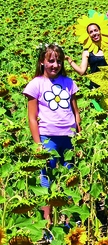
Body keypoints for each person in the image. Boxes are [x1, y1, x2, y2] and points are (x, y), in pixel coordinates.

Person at [23, 44, 81, 223]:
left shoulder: (69, 83)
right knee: (46, 179)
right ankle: (48, 222)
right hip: (48, 137)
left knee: (70, 177)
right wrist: (38, 143)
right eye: (51, 61)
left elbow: (76, 112)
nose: (55, 65)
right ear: (42, 62)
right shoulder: (36, 84)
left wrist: (78, 134)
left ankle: (71, 219)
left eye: (58, 61)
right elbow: (32, 118)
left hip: (68, 137)